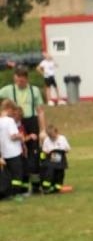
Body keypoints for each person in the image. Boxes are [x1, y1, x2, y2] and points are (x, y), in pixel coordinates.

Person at [0, 64, 46, 193]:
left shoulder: (34, 90)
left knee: (34, 156)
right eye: (18, 79)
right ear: (15, 78)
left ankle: (36, 186)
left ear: (27, 78)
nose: (20, 82)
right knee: (19, 157)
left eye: (22, 79)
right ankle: (21, 187)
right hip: (16, 124)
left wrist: (42, 130)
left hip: (31, 122)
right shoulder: (8, 90)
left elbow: (40, 111)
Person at [0, 98, 26, 200]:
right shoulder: (10, 121)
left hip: (4, 153)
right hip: (13, 152)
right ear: (8, 108)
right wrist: (20, 136)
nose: (14, 113)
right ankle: (16, 194)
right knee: (17, 175)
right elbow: (13, 136)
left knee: (7, 175)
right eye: (13, 110)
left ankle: (6, 193)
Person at [40, 124, 71, 193]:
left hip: (60, 161)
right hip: (50, 161)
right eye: (50, 136)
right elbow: (44, 150)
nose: (52, 138)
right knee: (50, 173)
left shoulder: (62, 138)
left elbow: (67, 149)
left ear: (57, 132)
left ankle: (57, 188)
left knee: (60, 174)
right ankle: (46, 188)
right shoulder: (47, 140)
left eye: (53, 136)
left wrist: (60, 150)